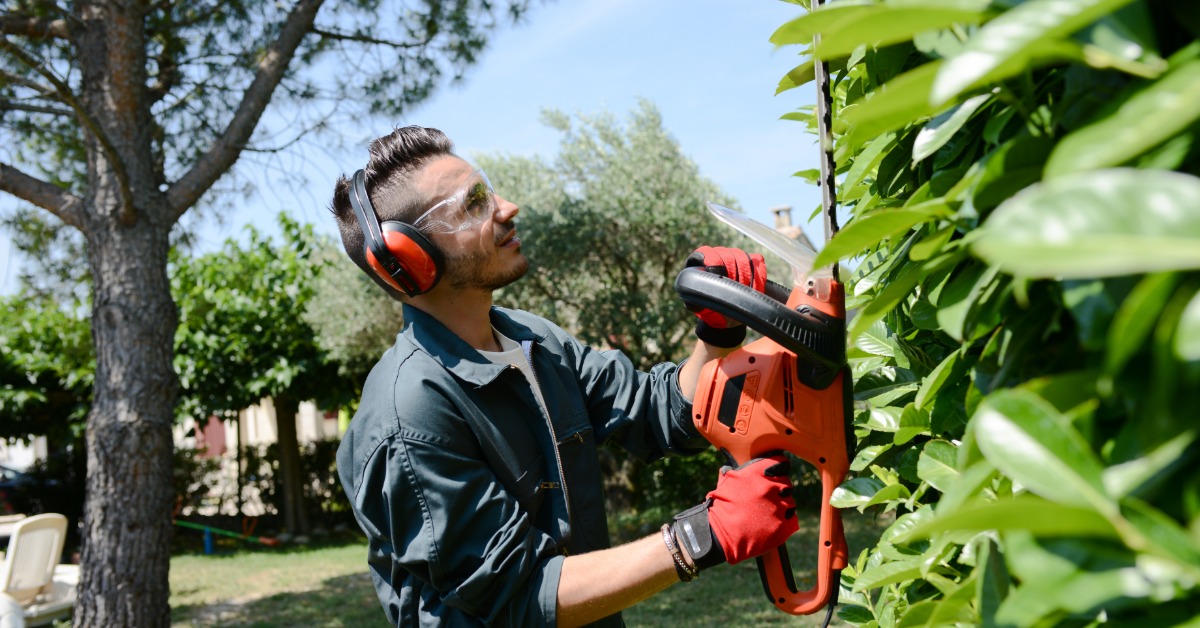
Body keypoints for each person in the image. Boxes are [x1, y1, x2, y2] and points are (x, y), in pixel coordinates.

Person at [331, 125, 798, 627]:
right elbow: (523, 595)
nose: (507, 207)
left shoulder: (533, 341)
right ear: (410, 259)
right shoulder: (408, 413)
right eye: (474, 203)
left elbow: (656, 413)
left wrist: (717, 334)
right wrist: (701, 536)